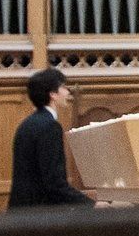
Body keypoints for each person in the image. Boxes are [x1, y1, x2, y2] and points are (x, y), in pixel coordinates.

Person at [8, 67, 95, 209]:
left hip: (21, 213)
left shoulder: (26, 124)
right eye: (64, 87)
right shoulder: (50, 126)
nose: (68, 92)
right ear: (53, 94)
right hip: (39, 216)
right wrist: (92, 205)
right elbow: (54, 184)